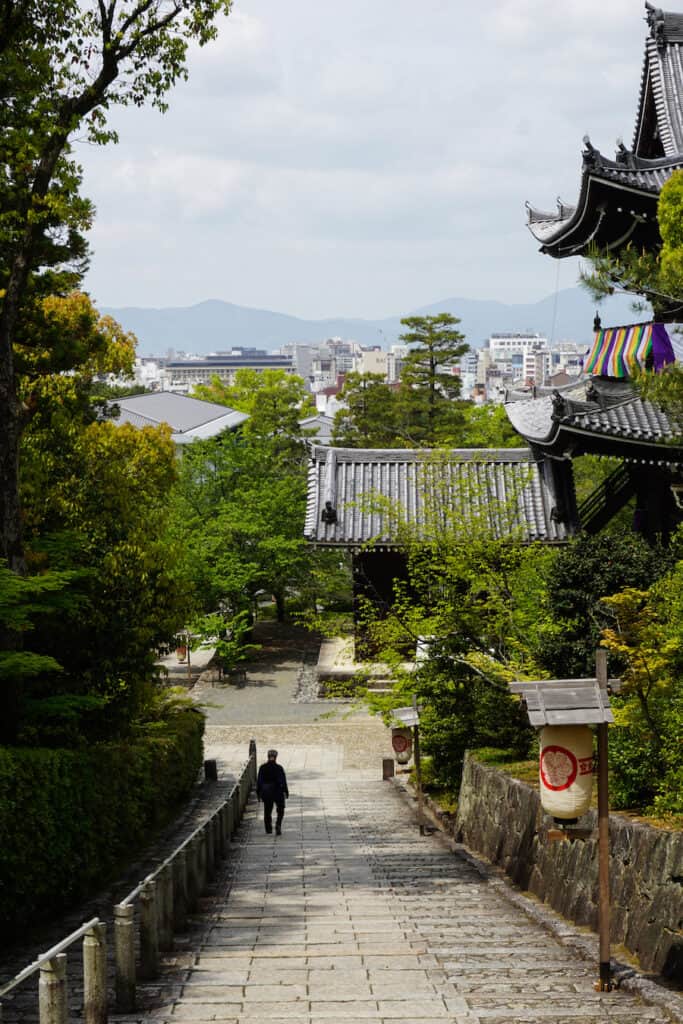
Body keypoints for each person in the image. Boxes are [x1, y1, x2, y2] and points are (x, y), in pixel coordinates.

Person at [256, 749, 289, 835]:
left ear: (268, 756)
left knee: (267, 811)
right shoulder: (279, 768)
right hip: (278, 791)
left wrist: (258, 793)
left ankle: (268, 829)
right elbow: (283, 781)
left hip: (267, 792)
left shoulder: (262, 768)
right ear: (276, 757)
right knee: (280, 809)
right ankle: (278, 824)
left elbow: (259, 781)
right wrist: (286, 791)